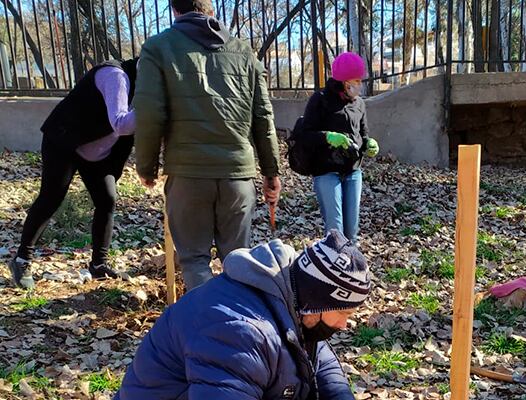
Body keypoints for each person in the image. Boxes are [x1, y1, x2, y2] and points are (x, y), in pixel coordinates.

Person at [115, 230, 370, 399]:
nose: (345, 324)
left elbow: (321, 367)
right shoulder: (237, 330)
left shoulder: (294, 305)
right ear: (315, 302)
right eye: (343, 311)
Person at [134, 0, 281, 291]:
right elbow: (263, 116)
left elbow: (150, 113)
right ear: (210, 10)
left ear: (174, 10)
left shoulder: (158, 48)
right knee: (238, 261)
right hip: (237, 175)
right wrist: (271, 171)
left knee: (194, 260)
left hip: (188, 175)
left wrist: (146, 167)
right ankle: (239, 329)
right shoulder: (244, 53)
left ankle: (205, 330)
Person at [7, 58, 139, 289]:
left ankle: (99, 265)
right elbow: (121, 123)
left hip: (96, 149)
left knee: (107, 200)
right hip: (64, 139)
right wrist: (155, 110)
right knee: (51, 198)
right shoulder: (115, 77)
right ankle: (22, 259)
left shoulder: (147, 86)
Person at [301, 52, 379, 244]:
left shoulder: (359, 103)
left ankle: (351, 270)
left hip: (353, 171)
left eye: (361, 80)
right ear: (343, 81)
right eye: (356, 80)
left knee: (351, 232)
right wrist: (327, 137)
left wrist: (369, 144)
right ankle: (333, 270)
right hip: (326, 171)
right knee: (335, 232)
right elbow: (305, 135)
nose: (359, 85)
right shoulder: (319, 99)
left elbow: (363, 133)